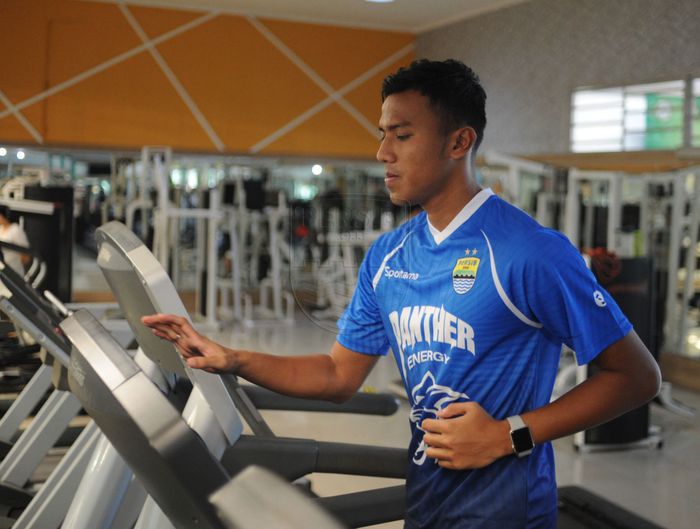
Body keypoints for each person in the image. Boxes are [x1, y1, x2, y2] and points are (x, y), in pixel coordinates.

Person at [143, 59, 661, 529]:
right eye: (383, 133)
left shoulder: (530, 252)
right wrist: (231, 357)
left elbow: (636, 376)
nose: (382, 152)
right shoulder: (388, 255)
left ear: (459, 143)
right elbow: (338, 376)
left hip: (505, 512)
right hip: (427, 499)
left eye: (403, 135)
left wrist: (512, 433)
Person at [0, 205, 30, 275]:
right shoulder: (0, 229)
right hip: (2, 270)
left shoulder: (16, 230)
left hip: (14, 271)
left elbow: (25, 254)